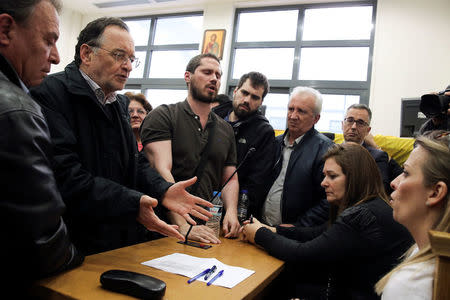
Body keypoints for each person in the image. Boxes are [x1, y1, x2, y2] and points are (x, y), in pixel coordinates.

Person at [30, 17, 212, 255]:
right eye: (118, 55)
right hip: (74, 244)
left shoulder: (119, 103)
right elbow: (67, 178)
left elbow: (134, 163)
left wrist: (164, 190)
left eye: (131, 59)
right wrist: (132, 202)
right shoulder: (50, 94)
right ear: (86, 54)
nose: (127, 65)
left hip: (119, 240)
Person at [242, 143, 413, 299]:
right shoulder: (371, 206)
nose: (323, 183)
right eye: (324, 176)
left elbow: (303, 254)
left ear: (355, 178)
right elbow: (319, 233)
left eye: (332, 176)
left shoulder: (361, 215)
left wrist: (259, 234)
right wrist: (273, 230)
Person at [0, 0, 83, 292]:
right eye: (49, 40)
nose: (57, 57)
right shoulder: (18, 109)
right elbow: (42, 241)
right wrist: (77, 258)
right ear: (6, 29)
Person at [140, 53, 240, 244]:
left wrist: (232, 214)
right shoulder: (164, 115)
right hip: (162, 224)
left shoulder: (225, 129)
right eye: (207, 72)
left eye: (218, 75)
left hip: (203, 227)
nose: (214, 78)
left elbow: (230, 178)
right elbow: (161, 170)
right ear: (188, 76)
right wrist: (183, 226)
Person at [376, 131, 449, 300]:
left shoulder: (412, 283)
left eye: (406, 173)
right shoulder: (419, 250)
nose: (394, 183)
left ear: (435, 192)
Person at [261, 86, 333, 227]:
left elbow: (330, 200)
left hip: (294, 236)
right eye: (290, 109)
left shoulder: (326, 150)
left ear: (316, 118)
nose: (293, 116)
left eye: (301, 111)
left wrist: (300, 226)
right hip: (260, 226)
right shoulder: (274, 143)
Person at [213, 71, 276, 218]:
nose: (247, 100)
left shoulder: (264, 132)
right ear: (235, 91)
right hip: (199, 200)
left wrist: (238, 212)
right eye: (244, 93)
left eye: (255, 97)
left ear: (261, 102)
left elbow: (256, 182)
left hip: (234, 212)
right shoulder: (213, 118)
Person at [342, 104, 392, 192]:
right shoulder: (329, 151)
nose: (353, 127)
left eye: (360, 123)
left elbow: (380, 191)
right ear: (342, 125)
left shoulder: (377, 157)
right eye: (350, 120)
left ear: (368, 130)